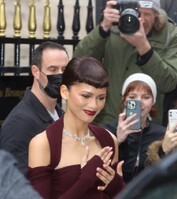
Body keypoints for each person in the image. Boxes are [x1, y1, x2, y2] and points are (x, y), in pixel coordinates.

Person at [73, 0, 177, 125]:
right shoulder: (113, 25)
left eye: (146, 14)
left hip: (145, 124)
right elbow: (79, 62)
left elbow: (168, 83)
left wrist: (144, 47)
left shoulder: (171, 35)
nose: (140, 20)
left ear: (157, 14)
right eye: (135, 13)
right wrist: (103, 28)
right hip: (108, 120)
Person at [27, 57, 124, 199]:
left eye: (101, 98)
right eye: (86, 96)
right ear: (65, 92)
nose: (94, 105)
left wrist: (117, 187)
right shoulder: (43, 144)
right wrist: (85, 181)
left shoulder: (108, 140)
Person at [0, 41, 69, 174]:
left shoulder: (60, 114)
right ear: (36, 72)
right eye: (53, 69)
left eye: (64, 70)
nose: (60, 75)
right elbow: (15, 182)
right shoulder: (19, 123)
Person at [104, 73, 165, 183]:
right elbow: (99, 167)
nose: (139, 102)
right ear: (124, 100)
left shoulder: (161, 134)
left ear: (153, 101)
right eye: (132, 97)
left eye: (145, 97)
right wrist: (117, 140)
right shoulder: (107, 131)